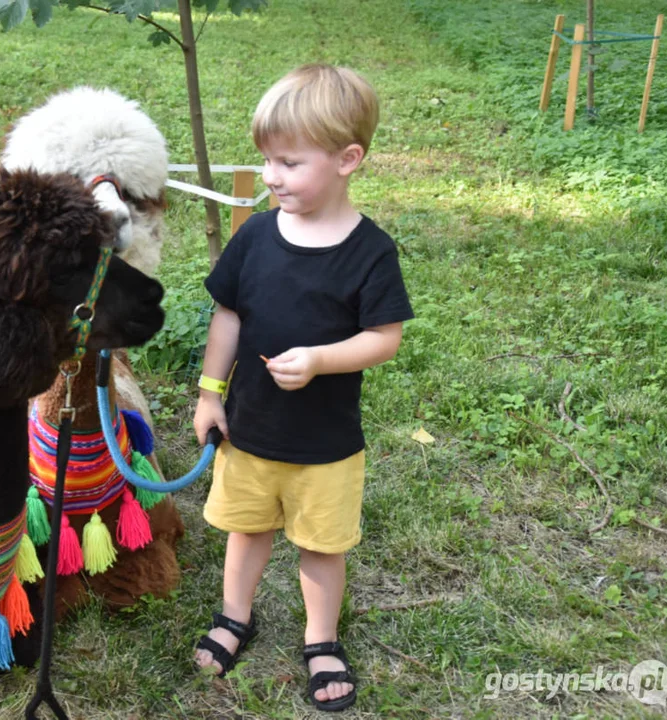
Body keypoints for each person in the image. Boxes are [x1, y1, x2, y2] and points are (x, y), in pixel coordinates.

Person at [192, 63, 414, 712]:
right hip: (251, 430)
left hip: (326, 444)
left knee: (322, 544)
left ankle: (321, 638)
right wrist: (210, 393)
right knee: (247, 530)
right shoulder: (256, 236)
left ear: (348, 159)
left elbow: (384, 339)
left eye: (288, 163)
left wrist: (319, 358)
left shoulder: (370, 252)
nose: (269, 177)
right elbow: (227, 315)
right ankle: (236, 615)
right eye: (265, 160)